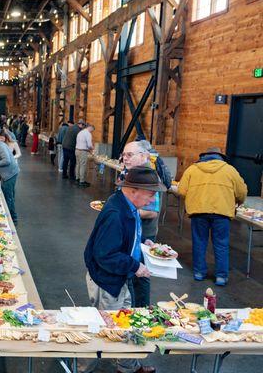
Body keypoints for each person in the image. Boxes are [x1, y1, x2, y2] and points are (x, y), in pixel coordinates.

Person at [84, 167, 165, 373]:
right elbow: (106, 255)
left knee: (124, 322)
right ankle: (92, 367)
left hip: (118, 277)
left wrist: (142, 244)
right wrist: (135, 265)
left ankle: (128, 367)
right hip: (108, 280)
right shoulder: (116, 213)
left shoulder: (127, 205)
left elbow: (125, 239)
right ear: (134, 190)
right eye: (150, 194)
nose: (152, 200)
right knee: (111, 327)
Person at [178, 147, 247, 286]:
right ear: (220, 157)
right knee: (221, 244)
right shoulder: (230, 170)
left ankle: (199, 273)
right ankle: (221, 277)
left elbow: (181, 190)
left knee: (199, 242)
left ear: (203, 156)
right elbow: (242, 191)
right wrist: (239, 201)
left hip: (198, 212)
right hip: (222, 213)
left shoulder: (192, 169)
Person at [119, 141, 162, 307]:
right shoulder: (128, 173)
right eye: (124, 155)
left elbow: (152, 211)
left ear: (144, 156)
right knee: (131, 272)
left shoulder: (149, 178)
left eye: (130, 155)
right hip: (131, 231)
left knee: (141, 275)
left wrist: (123, 212)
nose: (125, 159)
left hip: (143, 233)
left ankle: (143, 312)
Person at [75, 123, 95, 187]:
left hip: (77, 150)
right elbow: (89, 145)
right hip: (83, 152)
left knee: (78, 165)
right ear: (90, 127)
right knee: (83, 166)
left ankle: (77, 178)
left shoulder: (80, 132)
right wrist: (92, 148)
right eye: (92, 130)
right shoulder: (88, 134)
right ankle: (82, 181)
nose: (92, 131)